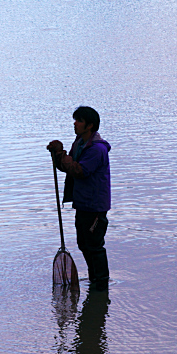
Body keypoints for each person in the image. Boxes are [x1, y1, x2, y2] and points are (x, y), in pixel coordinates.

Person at [47, 106, 111, 291]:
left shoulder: (97, 149)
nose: (75, 124)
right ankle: (95, 281)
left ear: (90, 125)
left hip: (95, 206)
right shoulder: (80, 143)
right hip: (83, 203)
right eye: (75, 120)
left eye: (79, 121)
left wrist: (61, 154)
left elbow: (80, 171)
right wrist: (57, 156)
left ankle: (100, 284)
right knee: (83, 243)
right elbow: (70, 167)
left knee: (94, 246)